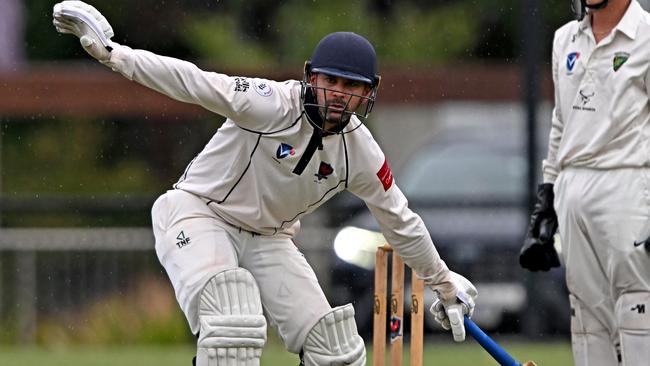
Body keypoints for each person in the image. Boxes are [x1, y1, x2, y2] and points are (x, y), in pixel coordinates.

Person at [52, 1, 478, 365]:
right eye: (330, 81)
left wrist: (442, 283)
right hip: (199, 213)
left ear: (371, 91)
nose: (339, 94)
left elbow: (399, 221)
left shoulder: (361, 152)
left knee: (336, 350)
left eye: (352, 86)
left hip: (270, 239)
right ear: (311, 76)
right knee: (233, 326)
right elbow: (193, 81)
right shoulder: (270, 103)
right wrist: (113, 54)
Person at [520, 0, 650, 365]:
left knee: (638, 302)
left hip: (626, 180)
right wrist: (546, 199)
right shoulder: (565, 38)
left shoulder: (646, 36)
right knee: (586, 312)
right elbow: (561, 124)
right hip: (572, 187)